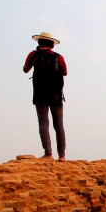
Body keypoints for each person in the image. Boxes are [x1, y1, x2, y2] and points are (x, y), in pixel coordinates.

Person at [23, 31, 68, 161]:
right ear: (52, 45)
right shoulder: (59, 57)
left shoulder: (34, 55)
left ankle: (48, 154)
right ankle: (62, 156)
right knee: (59, 125)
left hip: (40, 94)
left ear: (39, 43)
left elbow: (26, 69)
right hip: (56, 95)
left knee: (43, 123)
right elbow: (65, 72)